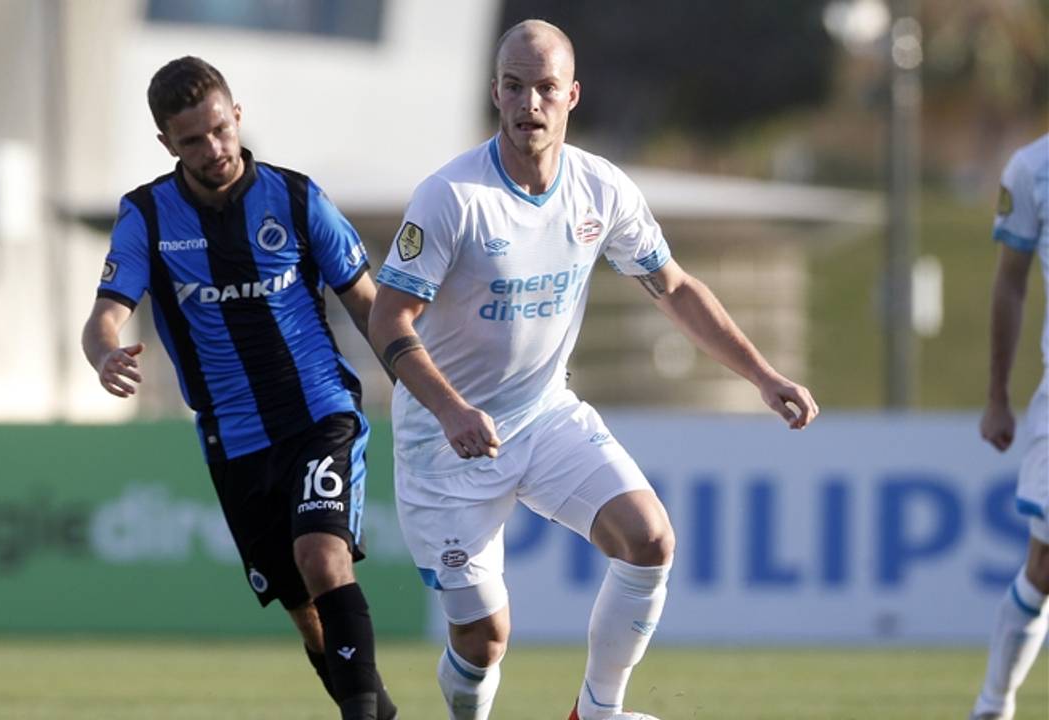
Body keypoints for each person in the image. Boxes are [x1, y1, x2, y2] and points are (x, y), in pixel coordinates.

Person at [368, 19, 819, 720]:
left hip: (545, 417)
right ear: (495, 92)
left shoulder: (600, 189)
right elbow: (387, 318)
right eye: (514, 87)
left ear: (572, 94)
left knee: (649, 540)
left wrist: (762, 375)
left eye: (545, 88)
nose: (529, 105)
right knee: (485, 640)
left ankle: (596, 712)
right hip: (443, 445)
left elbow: (673, 287)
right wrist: (452, 409)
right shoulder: (451, 197)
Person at [82, 56, 397, 720]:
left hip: (318, 412)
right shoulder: (147, 217)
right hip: (234, 438)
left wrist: (422, 385)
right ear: (167, 143)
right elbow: (104, 316)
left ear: (238, 116)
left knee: (321, 555)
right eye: (192, 139)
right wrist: (106, 354)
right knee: (303, 610)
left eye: (220, 129)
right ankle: (376, 709)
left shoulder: (296, 198)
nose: (214, 149)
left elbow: (370, 306)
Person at [971, 133, 1049, 720]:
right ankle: (994, 704)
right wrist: (998, 394)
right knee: (1045, 565)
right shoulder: (1031, 168)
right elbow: (1011, 282)